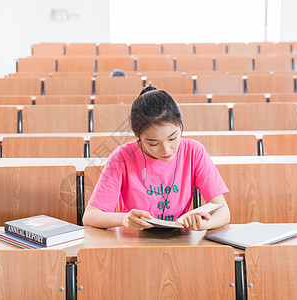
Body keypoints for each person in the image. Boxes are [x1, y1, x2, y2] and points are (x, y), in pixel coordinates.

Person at [82, 85, 230, 230]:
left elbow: (223, 212)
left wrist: (203, 224)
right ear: (138, 137)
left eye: (172, 138)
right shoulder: (121, 157)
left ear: (181, 125)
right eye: (153, 143)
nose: (166, 150)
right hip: (134, 243)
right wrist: (124, 219)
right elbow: (90, 216)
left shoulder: (194, 152)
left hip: (179, 241)